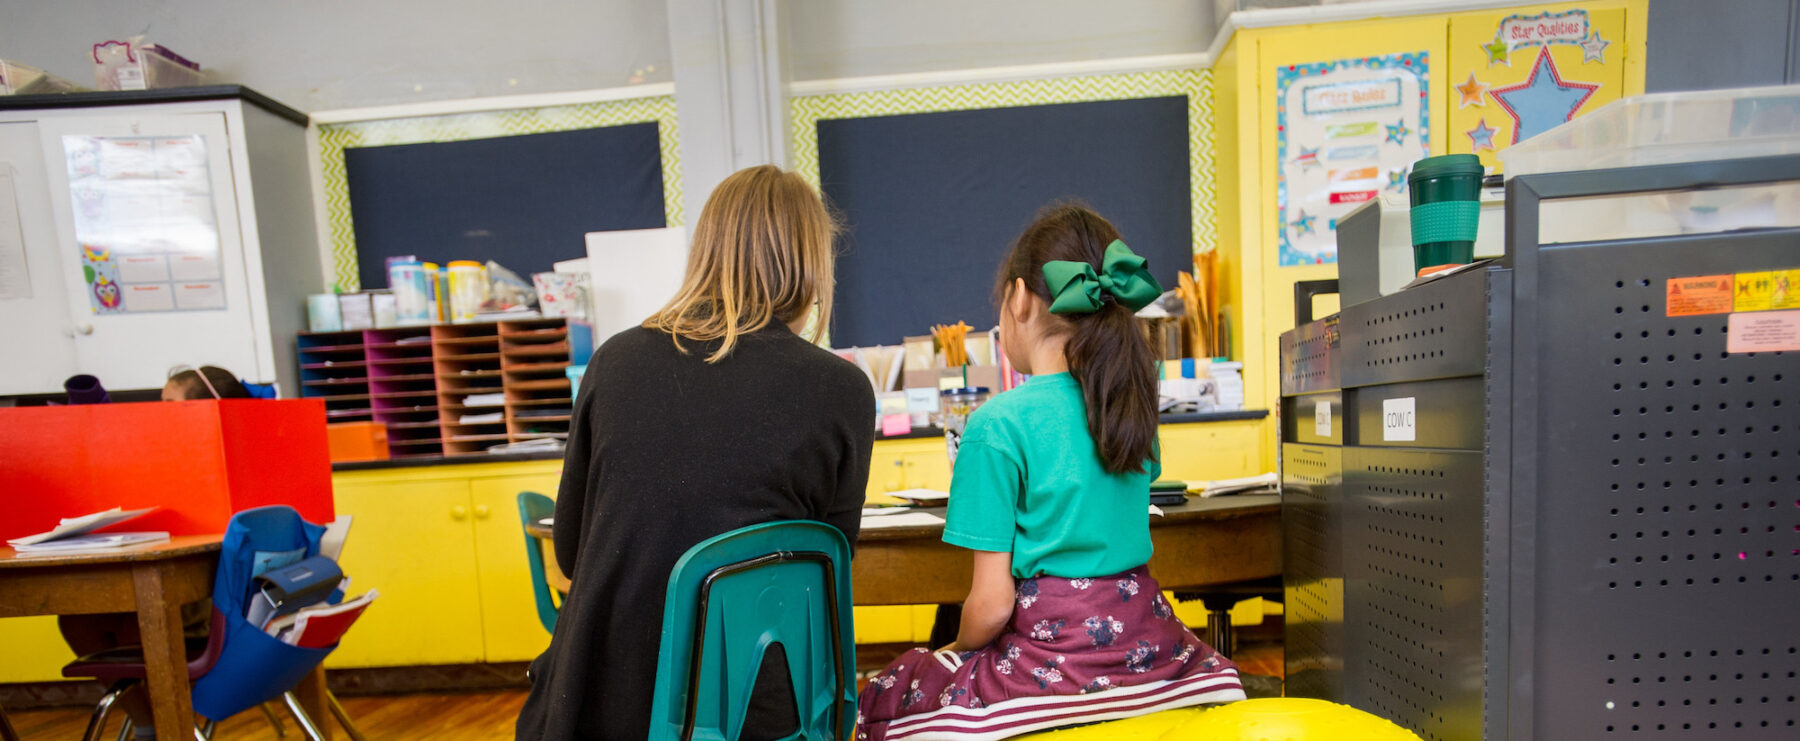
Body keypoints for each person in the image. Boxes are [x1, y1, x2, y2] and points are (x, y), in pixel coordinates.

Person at [855, 205, 1245, 741]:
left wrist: (951, 651)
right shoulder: (1130, 406)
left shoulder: (995, 425)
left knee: (888, 694)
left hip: (1054, 669)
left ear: (1018, 299)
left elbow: (992, 608)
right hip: (1155, 652)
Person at [515, 165, 876, 740]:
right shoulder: (841, 388)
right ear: (812, 266)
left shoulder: (613, 363)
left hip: (600, 703)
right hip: (753, 711)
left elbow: (569, 551)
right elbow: (828, 566)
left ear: (706, 251)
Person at [58, 364, 250, 738]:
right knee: (78, 619)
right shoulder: (162, 454)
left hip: (213, 603)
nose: (156, 412)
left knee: (138, 618)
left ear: (200, 411)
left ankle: (164, 724)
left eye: (167, 403)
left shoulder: (216, 462)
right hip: (179, 589)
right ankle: (152, 725)